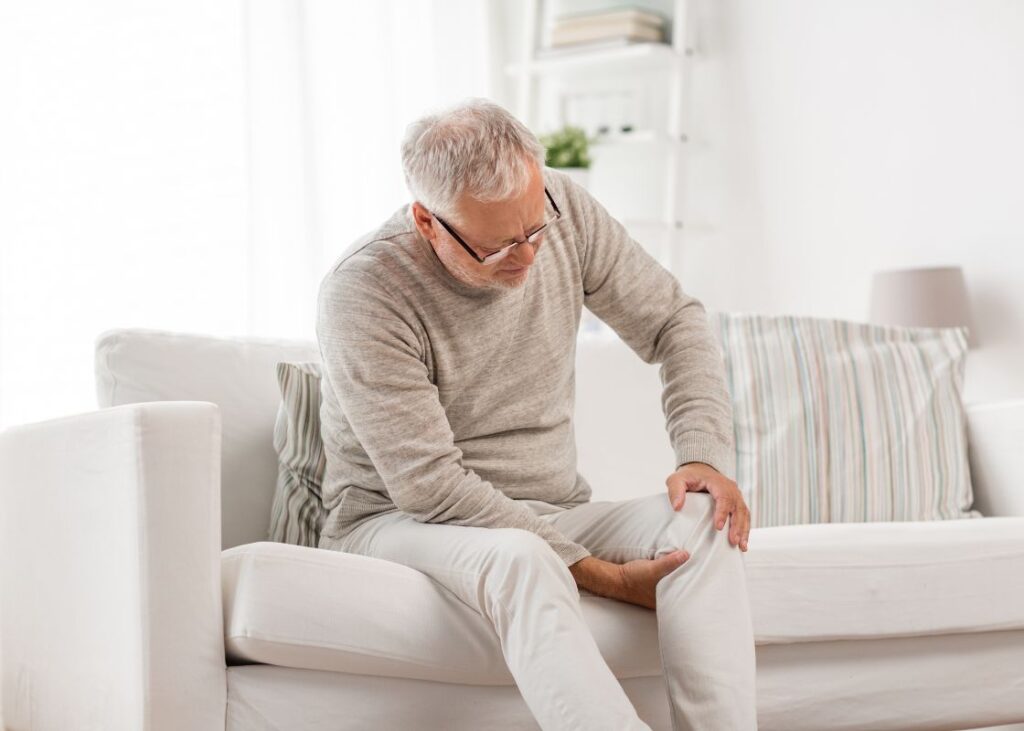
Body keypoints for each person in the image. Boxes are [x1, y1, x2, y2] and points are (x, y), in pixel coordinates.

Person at [316, 97, 757, 731]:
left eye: (534, 230)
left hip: (552, 506)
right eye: (497, 249)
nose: (528, 258)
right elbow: (430, 486)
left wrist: (701, 456)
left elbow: (674, 321)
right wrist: (600, 574)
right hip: (395, 520)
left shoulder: (560, 206)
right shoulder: (364, 291)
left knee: (707, 522)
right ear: (427, 222)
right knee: (522, 557)